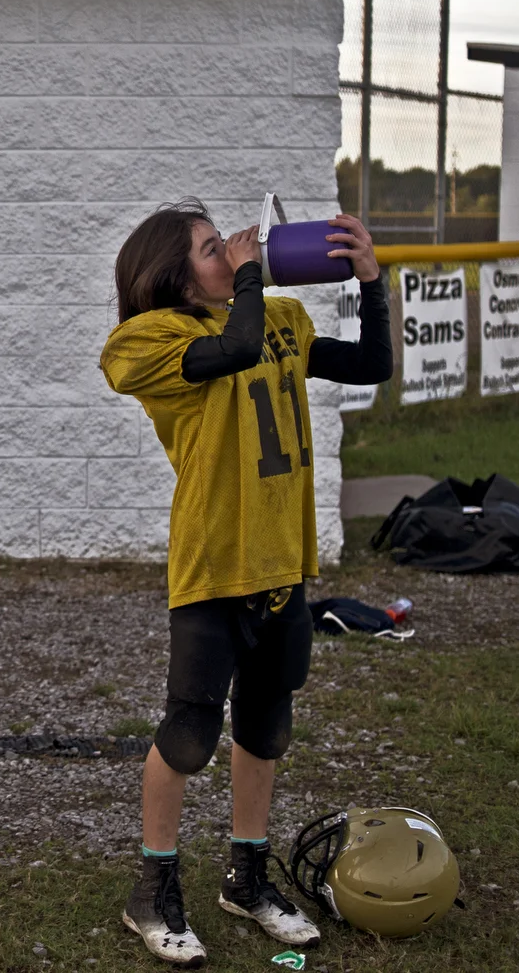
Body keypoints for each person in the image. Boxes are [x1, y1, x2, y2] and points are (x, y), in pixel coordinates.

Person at [99, 202, 391, 967]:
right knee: (190, 732)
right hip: (213, 562)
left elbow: (371, 364)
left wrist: (370, 280)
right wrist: (253, 274)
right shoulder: (151, 340)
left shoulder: (278, 317)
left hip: (280, 560)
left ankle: (247, 874)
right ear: (172, 275)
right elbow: (230, 349)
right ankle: (151, 887)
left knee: (266, 726)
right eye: (209, 247)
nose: (229, 251)